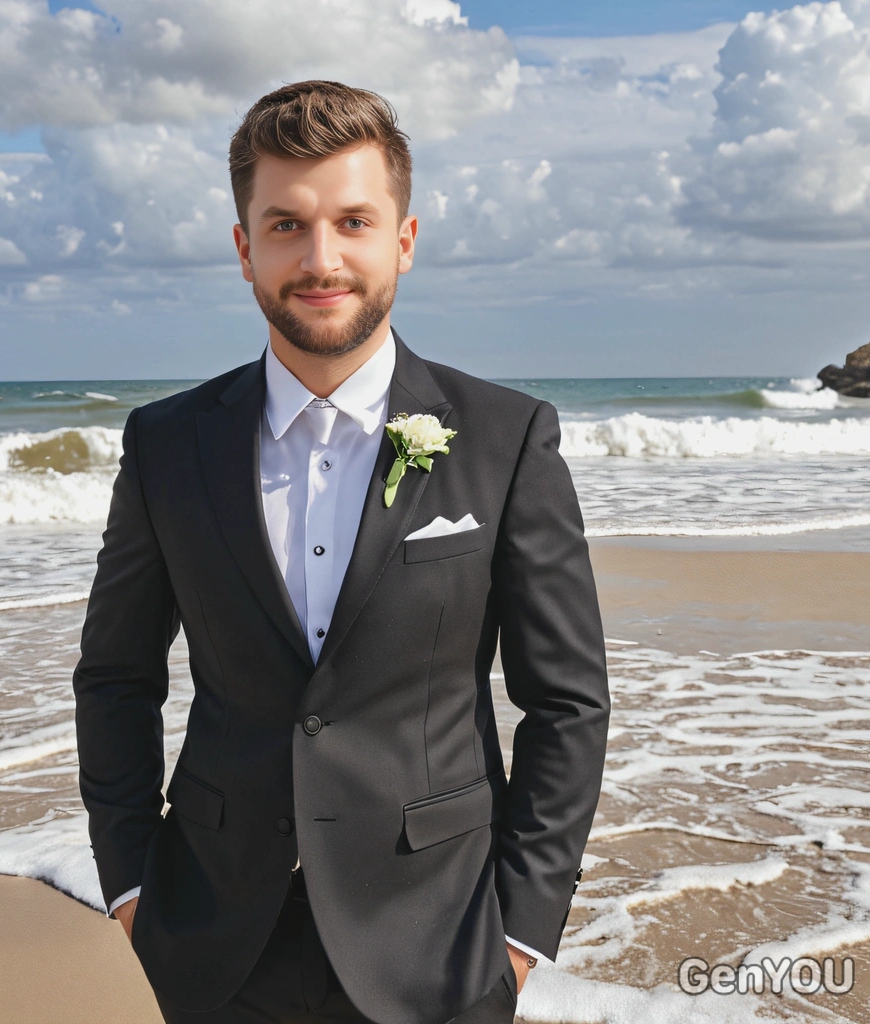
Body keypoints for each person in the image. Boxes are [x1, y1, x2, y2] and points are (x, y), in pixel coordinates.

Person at [73, 79, 610, 1024]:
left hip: (439, 945)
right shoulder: (166, 444)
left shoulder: (505, 437)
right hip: (210, 944)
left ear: (402, 239)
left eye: (353, 221)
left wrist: (521, 933)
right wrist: (129, 886)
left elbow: (566, 701)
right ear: (245, 249)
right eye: (286, 225)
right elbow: (116, 675)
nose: (321, 260)